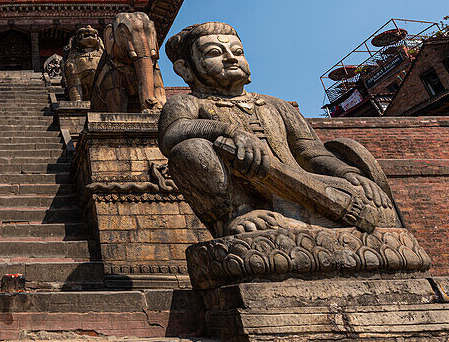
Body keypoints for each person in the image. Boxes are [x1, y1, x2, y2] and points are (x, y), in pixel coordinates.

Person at [159, 22, 394, 238]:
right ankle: (239, 213)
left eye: (238, 52)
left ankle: (299, 223)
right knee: (190, 150)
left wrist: (346, 173)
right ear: (185, 69)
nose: (231, 58)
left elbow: (310, 151)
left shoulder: (276, 105)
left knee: (370, 200)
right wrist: (229, 131)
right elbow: (172, 133)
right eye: (214, 53)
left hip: (303, 185)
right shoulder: (187, 103)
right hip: (247, 193)